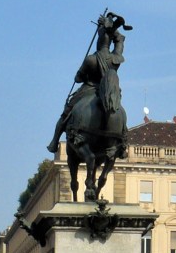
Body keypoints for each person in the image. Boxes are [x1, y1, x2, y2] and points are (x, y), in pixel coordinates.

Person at [48, 11, 130, 152]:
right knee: (119, 111)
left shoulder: (90, 59)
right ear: (110, 42)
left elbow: (78, 79)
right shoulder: (116, 58)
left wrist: (106, 26)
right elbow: (120, 39)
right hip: (110, 92)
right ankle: (122, 140)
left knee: (66, 113)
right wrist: (112, 29)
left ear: (98, 41)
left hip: (90, 88)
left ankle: (54, 141)